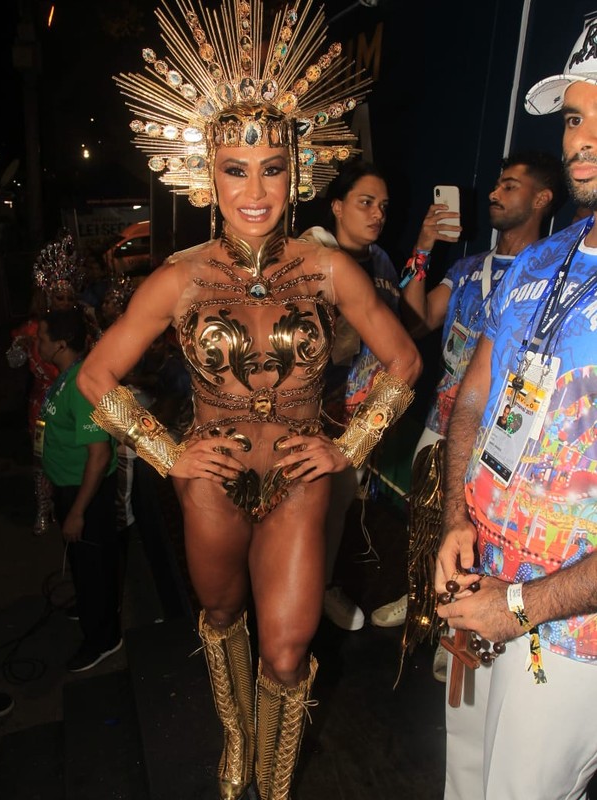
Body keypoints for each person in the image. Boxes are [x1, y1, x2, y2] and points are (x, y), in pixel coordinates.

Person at [77, 1, 421, 798]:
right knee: (224, 622)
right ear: (210, 171)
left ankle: (271, 785)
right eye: (237, 167)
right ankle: (236, 740)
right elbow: (95, 378)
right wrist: (171, 455)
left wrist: (348, 446)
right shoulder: (181, 277)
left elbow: (403, 361)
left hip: (300, 479)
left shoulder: (331, 269)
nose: (255, 188)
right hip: (211, 486)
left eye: (271, 166)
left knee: (290, 651)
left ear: (296, 167)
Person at [435, 20, 597, 799]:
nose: (581, 141)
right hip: (483, 588)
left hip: (567, 633)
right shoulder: (540, 260)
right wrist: (455, 523)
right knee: (466, 780)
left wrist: (523, 605)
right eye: (573, 117)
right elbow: (471, 399)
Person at [370, 152, 566, 671]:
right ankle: (422, 603)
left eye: (510, 185)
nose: (494, 194)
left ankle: (456, 636)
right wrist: (424, 247)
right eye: (496, 185)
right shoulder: (468, 269)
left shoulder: (554, 273)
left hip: (504, 441)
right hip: (444, 422)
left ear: (543, 198)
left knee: (477, 535)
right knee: (427, 521)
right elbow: (414, 324)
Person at [300, 160, 401, 631]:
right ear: (337, 206)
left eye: (383, 205)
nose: (377, 214)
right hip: (298, 415)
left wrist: (421, 252)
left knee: (336, 509)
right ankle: (282, 604)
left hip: (354, 418)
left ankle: (318, 594)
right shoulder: (307, 255)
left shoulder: (380, 263)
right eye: (366, 203)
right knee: (290, 514)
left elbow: (401, 339)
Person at [37, 306, 121, 673]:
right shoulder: (67, 375)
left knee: (92, 568)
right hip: (69, 486)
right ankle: (90, 607)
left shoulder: (83, 385)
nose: (36, 343)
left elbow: (99, 455)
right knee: (85, 564)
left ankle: (103, 639)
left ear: (59, 344)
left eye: (41, 338)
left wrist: (76, 511)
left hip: (85, 492)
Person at [7, 234, 85, 536]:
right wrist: (20, 345)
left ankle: (74, 506)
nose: (64, 303)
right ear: (47, 296)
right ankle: (43, 507)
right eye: (58, 297)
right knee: (41, 456)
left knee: (75, 453)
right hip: (41, 404)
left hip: (75, 401)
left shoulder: (83, 327)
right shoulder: (32, 329)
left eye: (68, 298)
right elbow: (13, 362)